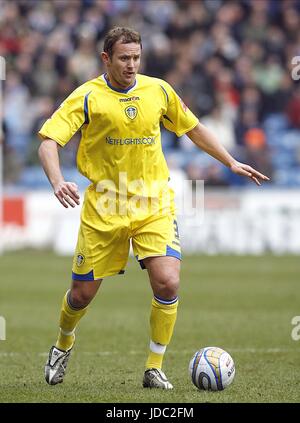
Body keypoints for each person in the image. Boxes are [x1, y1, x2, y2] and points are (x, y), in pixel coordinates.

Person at [38, 27, 269, 390]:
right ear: (106, 59)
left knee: (168, 280)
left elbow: (192, 129)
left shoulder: (158, 90)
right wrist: (57, 181)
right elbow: (49, 142)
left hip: (154, 204)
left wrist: (231, 161)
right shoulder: (86, 97)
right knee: (81, 295)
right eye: (124, 58)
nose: (131, 65)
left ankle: (154, 366)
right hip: (105, 206)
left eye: (136, 58)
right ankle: (63, 343)